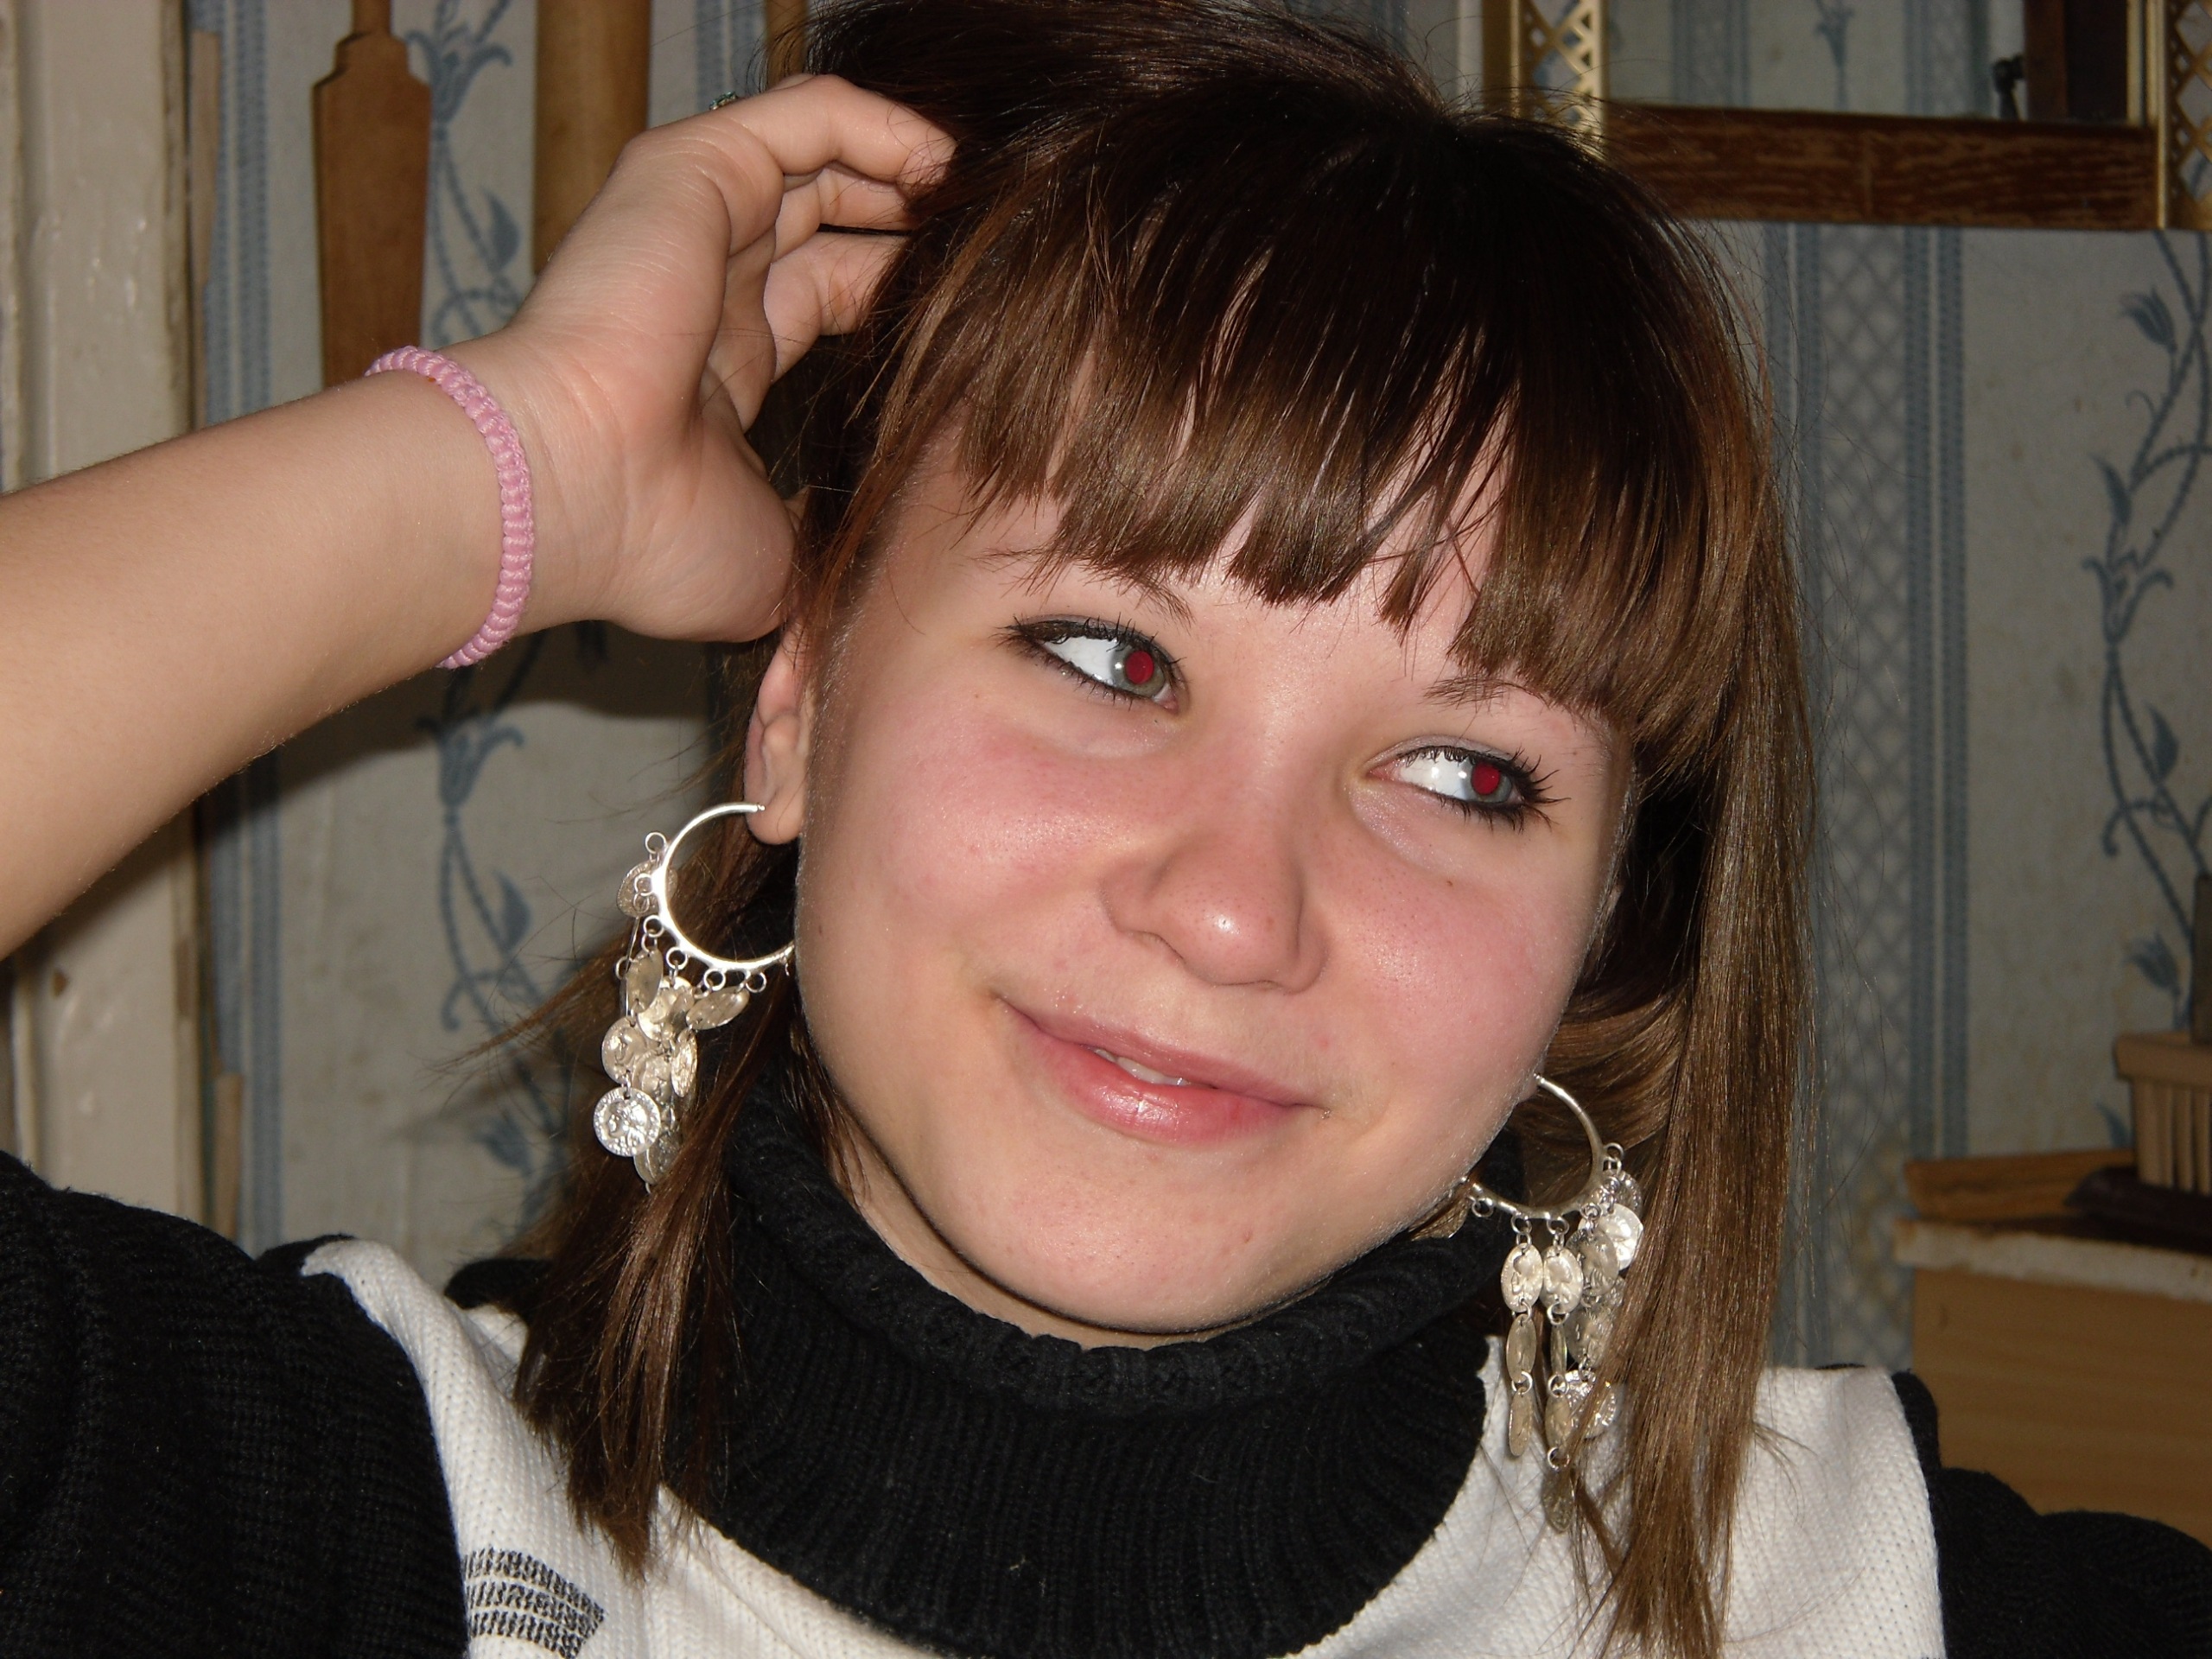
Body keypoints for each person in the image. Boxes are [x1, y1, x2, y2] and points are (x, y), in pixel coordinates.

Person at [0, 3, 2205, 1656]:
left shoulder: (1860, 1605)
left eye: (1464, 773)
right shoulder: (316, 1532)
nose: (1234, 909)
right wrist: (519, 461)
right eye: (1107, 656)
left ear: (1599, 922)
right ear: (799, 703)